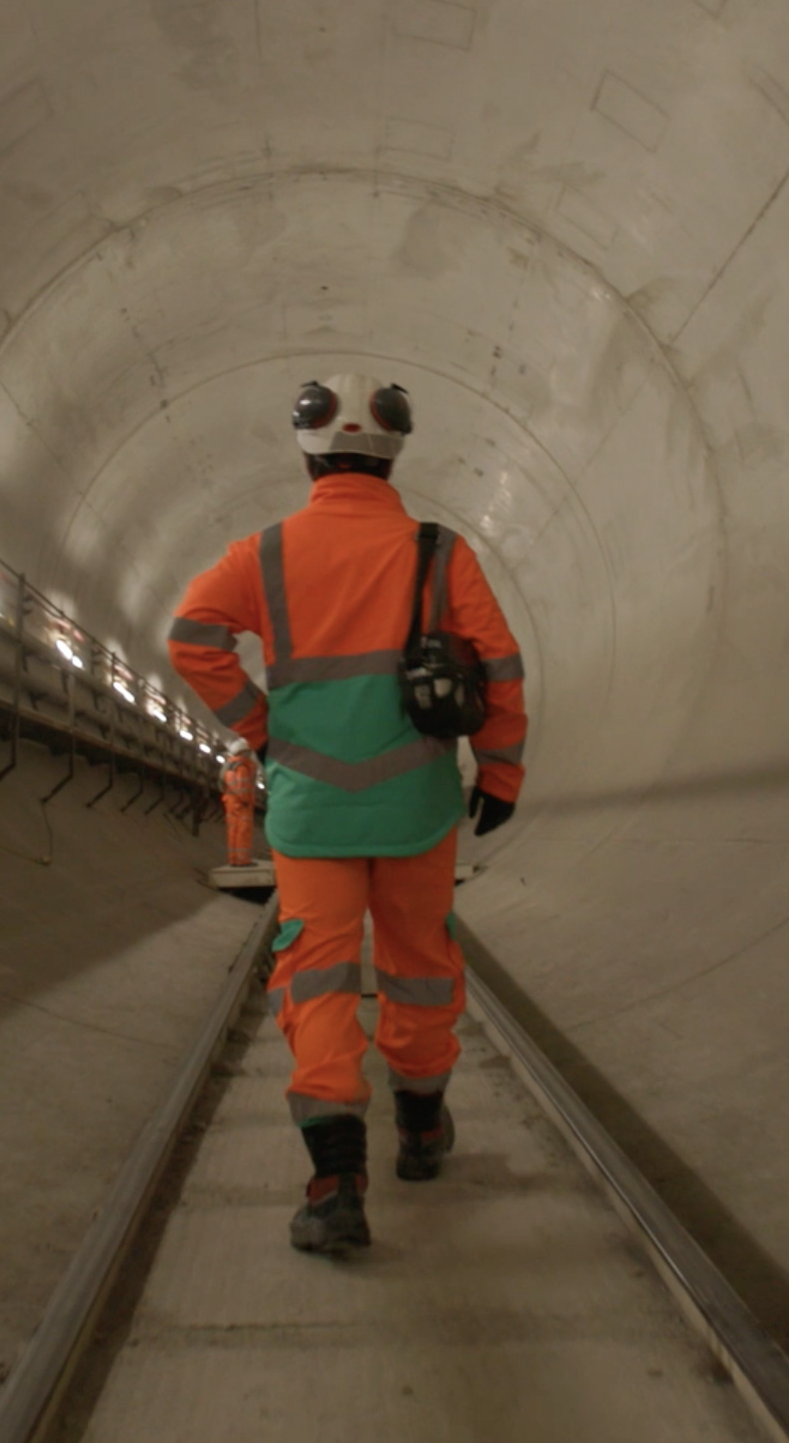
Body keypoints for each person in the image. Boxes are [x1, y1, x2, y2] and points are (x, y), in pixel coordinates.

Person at [166, 373, 528, 1255]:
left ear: (307, 456)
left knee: (318, 976)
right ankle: (421, 1130)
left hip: (312, 812)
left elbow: (192, 638)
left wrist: (261, 729)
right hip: (417, 807)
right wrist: (502, 776)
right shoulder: (441, 553)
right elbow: (501, 667)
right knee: (418, 966)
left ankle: (335, 1181)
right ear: (395, 452)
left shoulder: (263, 555)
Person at [220, 740, 264, 867]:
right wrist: (247, 801)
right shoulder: (242, 767)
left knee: (233, 831)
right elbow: (242, 787)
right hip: (241, 804)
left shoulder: (231, 766)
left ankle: (234, 859)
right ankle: (243, 860)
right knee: (243, 832)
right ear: (243, 752)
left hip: (232, 803)